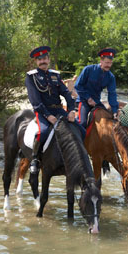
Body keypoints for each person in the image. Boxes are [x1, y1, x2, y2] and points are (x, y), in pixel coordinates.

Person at [25, 45, 84, 174]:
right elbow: (35, 101)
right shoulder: (31, 77)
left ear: (48, 59)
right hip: (43, 112)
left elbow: (67, 94)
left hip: (59, 110)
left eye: (44, 58)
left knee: (81, 130)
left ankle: (83, 158)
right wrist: (47, 116)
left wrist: (72, 110)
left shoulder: (55, 75)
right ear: (36, 61)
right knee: (43, 133)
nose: (42, 61)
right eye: (39, 59)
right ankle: (35, 159)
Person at [74, 48, 119, 129]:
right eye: (107, 62)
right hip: (83, 100)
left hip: (97, 102)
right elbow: (78, 86)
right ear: (101, 61)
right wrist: (88, 98)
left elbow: (112, 94)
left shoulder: (111, 77)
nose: (108, 65)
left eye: (110, 63)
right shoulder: (88, 69)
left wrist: (115, 110)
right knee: (83, 123)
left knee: (108, 119)